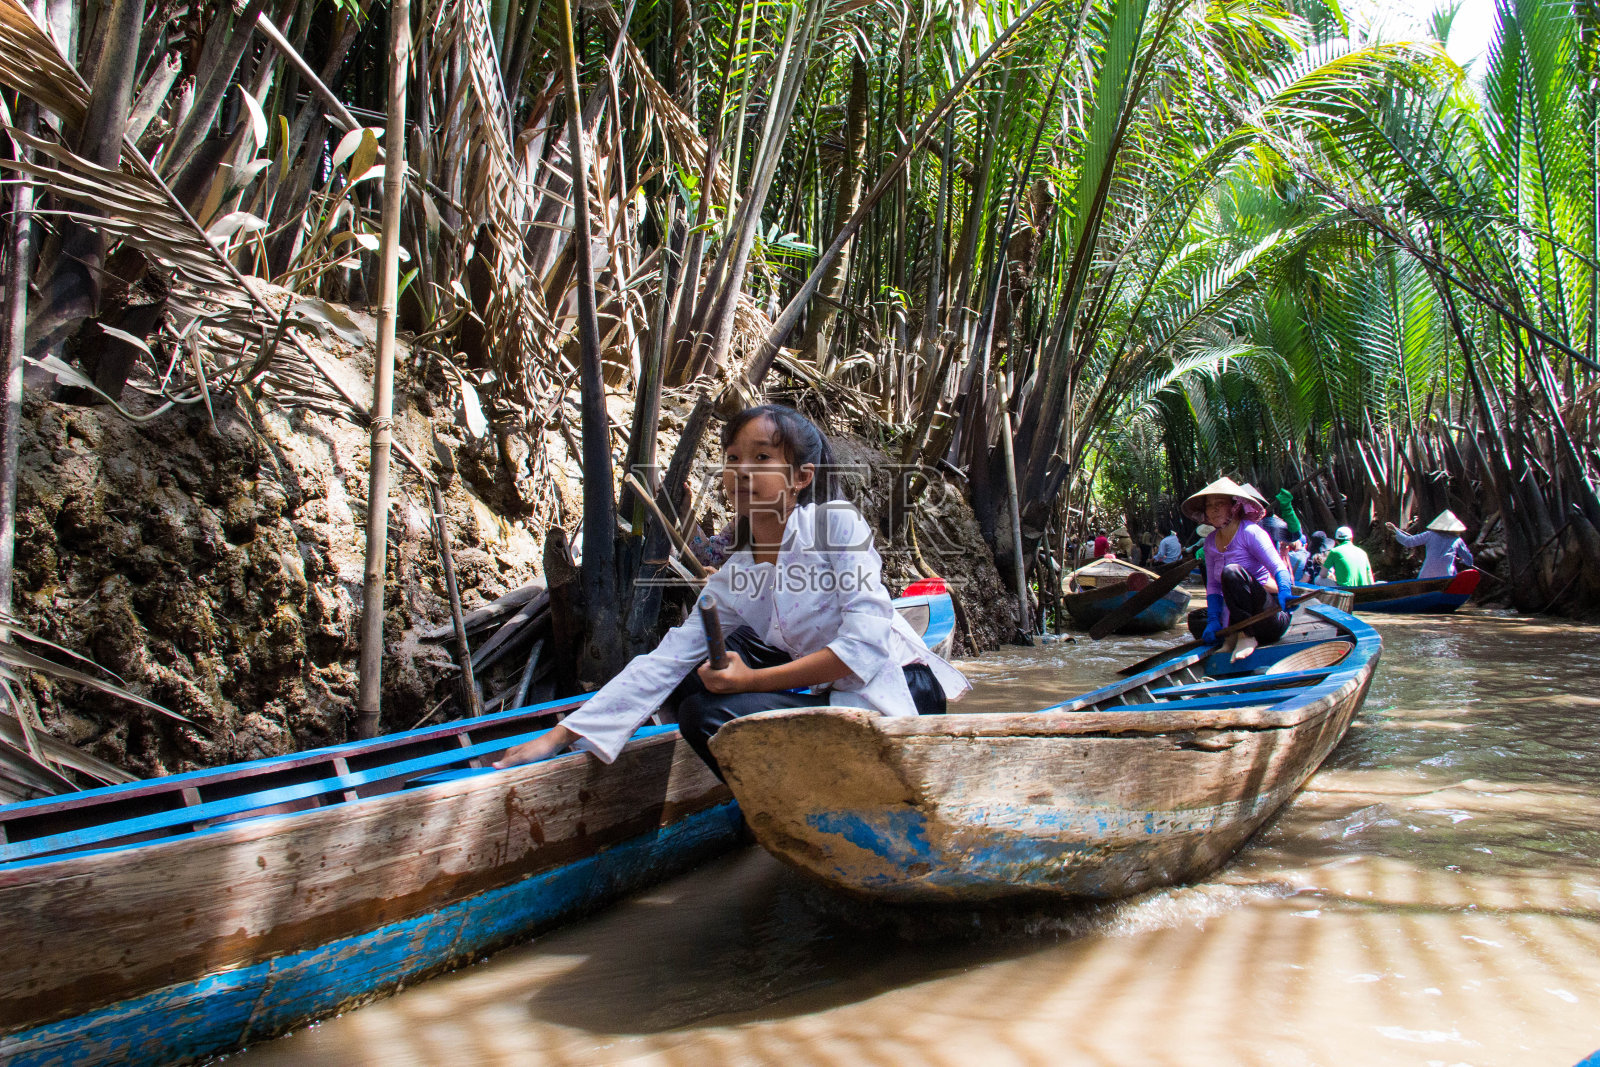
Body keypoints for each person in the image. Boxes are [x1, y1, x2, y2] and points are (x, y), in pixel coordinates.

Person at [493, 404, 970, 778]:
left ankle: (799, 796)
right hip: (837, 702)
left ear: (801, 477)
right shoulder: (739, 573)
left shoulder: (834, 524)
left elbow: (864, 648)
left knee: (707, 709)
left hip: (901, 693)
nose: (741, 471)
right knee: (698, 699)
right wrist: (558, 736)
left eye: (761, 458)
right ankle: (789, 806)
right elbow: (664, 661)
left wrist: (752, 683)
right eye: (732, 459)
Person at [1182, 477, 1294, 659]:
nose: (1214, 509)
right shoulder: (1210, 543)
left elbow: (1277, 566)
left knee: (1232, 571)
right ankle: (1230, 636)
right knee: (1196, 620)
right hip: (1236, 614)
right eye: (1210, 505)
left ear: (1235, 506)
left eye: (1220, 503)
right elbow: (1213, 586)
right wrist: (1212, 620)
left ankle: (1245, 636)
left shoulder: (1251, 532)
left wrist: (1284, 589)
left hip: (1267, 617)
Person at [1386, 510, 1474, 579]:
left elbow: (1409, 541)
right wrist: (1464, 561)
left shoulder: (1429, 534)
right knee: (1453, 571)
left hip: (1427, 574)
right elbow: (1469, 561)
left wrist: (1396, 530)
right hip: (1446, 575)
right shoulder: (1457, 540)